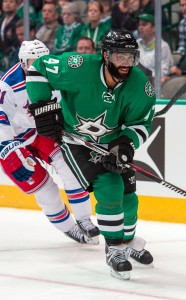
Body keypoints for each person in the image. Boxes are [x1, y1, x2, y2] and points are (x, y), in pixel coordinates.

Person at [26, 29, 156, 280]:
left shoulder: (141, 87)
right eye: (120, 57)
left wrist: (125, 147)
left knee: (129, 194)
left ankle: (127, 242)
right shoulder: (78, 67)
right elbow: (39, 68)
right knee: (109, 185)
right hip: (76, 142)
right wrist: (42, 109)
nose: (126, 64)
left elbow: (140, 125)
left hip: (111, 143)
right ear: (105, 55)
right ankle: (114, 249)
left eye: (131, 58)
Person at [0, 39, 100, 245]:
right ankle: (70, 228)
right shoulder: (8, 86)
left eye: (41, 61)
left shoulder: (56, 75)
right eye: (31, 62)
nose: (36, 66)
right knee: (44, 187)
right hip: (13, 142)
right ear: (21, 62)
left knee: (70, 167)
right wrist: (6, 148)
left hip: (41, 133)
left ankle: (83, 219)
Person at [136, 14, 173, 85]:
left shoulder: (163, 46)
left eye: (144, 25)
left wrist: (148, 73)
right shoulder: (136, 44)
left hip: (155, 84)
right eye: (139, 25)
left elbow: (163, 72)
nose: (140, 27)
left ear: (154, 28)